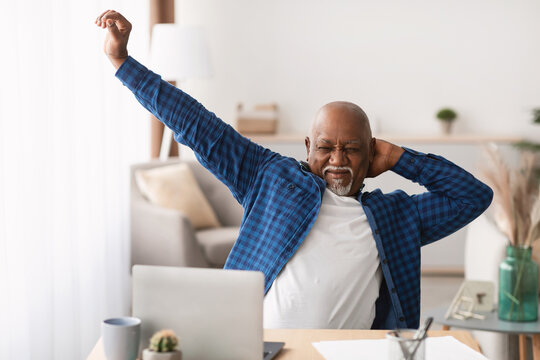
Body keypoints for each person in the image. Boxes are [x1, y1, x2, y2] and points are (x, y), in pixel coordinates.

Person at [95, 10, 493, 329]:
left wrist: (402, 159)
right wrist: (121, 61)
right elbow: (197, 125)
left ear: (371, 154)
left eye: (352, 150)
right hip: (260, 347)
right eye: (325, 147)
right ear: (308, 147)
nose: (337, 160)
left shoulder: (397, 217)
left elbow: (474, 196)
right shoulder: (269, 177)